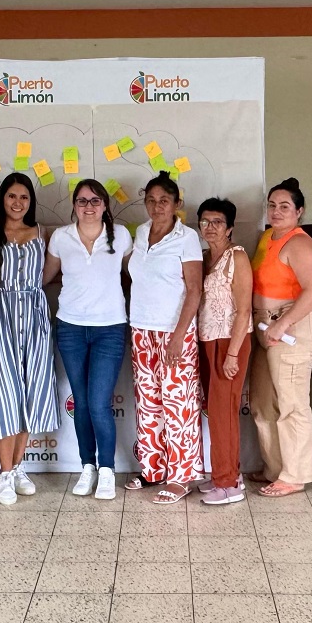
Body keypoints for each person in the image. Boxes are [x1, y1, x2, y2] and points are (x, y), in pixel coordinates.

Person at [45, 179, 131, 501]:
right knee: (81, 402)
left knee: (98, 403)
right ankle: (87, 467)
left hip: (110, 328)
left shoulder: (121, 235)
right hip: (70, 328)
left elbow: (133, 274)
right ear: (74, 205)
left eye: (95, 200)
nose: (89, 206)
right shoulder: (61, 237)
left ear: (105, 205)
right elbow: (46, 276)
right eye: (82, 201)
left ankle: (107, 469)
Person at [0, 175, 60, 506]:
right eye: (12, 196)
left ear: (31, 201)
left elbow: (48, 273)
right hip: (0, 318)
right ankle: (3, 473)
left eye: (24, 197)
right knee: (5, 393)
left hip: (36, 318)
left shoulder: (42, 232)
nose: (17, 202)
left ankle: (16, 467)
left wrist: (32, 293)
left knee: (30, 392)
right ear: (2, 198)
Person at [126, 173, 205, 505]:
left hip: (175, 332)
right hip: (141, 329)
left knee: (178, 405)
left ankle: (181, 477)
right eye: (151, 200)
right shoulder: (141, 232)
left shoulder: (187, 237)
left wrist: (178, 336)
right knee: (148, 404)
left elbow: (195, 290)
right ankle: (153, 469)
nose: (157, 206)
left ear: (177, 204)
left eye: (164, 201)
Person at [249, 178, 312, 497]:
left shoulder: (299, 243)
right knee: (262, 403)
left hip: (290, 328)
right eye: (272, 205)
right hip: (264, 327)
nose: (276, 211)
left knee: (292, 405)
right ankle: (275, 468)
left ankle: (295, 475)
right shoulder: (268, 236)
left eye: (284, 206)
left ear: (299, 211)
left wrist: (283, 324)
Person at [196, 198, 253, 506]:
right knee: (218, 412)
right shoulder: (204, 257)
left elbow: (244, 310)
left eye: (217, 222)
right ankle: (229, 473)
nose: (210, 227)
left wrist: (232, 354)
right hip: (207, 340)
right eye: (205, 221)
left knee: (223, 413)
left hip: (231, 341)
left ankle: (227, 484)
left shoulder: (237, 257)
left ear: (230, 227)